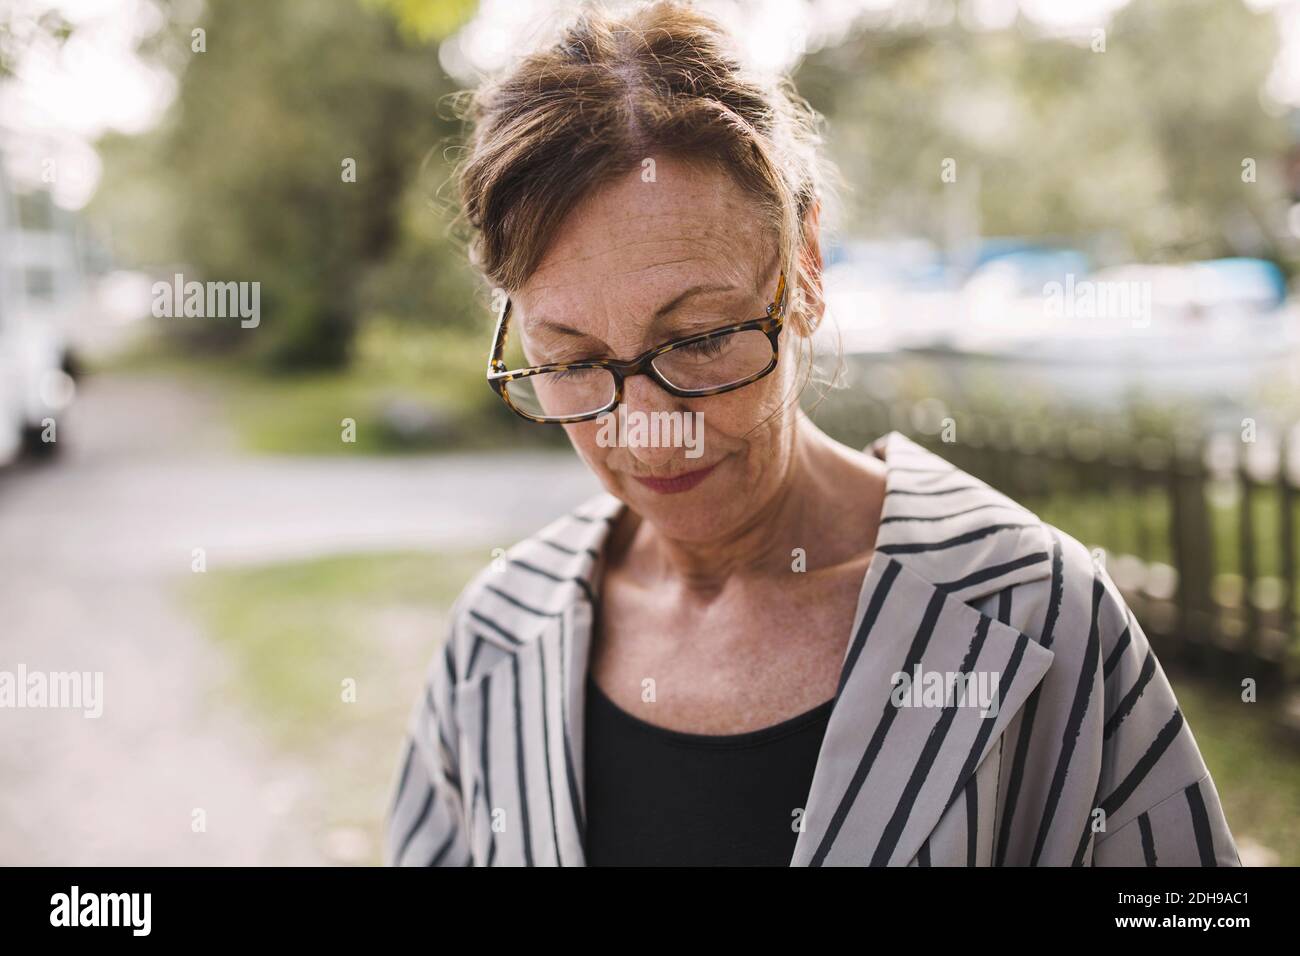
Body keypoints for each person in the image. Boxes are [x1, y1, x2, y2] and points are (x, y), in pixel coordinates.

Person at [384, 0, 1239, 866]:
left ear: (805, 269)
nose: (646, 439)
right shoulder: (495, 640)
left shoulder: (1037, 612)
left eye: (702, 339)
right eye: (571, 362)